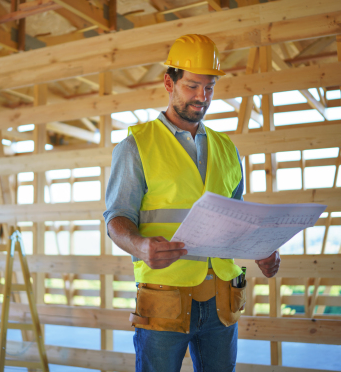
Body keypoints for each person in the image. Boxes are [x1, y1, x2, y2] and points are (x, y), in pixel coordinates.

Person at [103, 34, 281, 372]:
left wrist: (261, 248)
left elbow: (235, 218)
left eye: (210, 88)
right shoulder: (136, 146)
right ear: (169, 83)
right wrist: (140, 246)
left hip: (223, 302)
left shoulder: (227, 148)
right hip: (164, 298)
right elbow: (116, 218)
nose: (203, 97)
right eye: (193, 86)